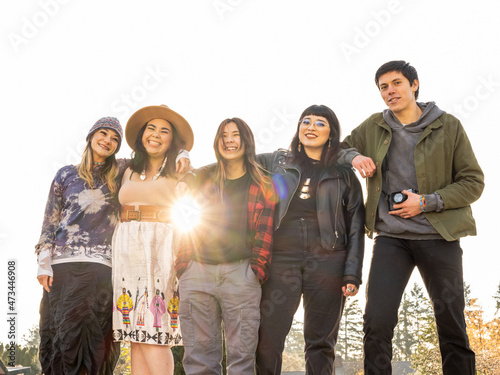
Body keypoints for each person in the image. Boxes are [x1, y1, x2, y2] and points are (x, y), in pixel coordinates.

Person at [339, 60, 485, 374]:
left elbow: (474, 182)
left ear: (414, 85)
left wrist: (427, 202)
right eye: (383, 87)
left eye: (397, 83)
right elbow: (339, 149)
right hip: (392, 239)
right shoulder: (373, 126)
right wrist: (357, 155)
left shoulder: (448, 126)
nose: (390, 91)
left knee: (451, 324)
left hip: (438, 237)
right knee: (376, 322)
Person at [255, 105, 365, 374]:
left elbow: (356, 228)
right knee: (267, 339)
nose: (311, 127)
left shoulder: (344, 175)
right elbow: (235, 161)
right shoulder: (278, 163)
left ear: (332, 134)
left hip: (328, 261)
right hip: (281, 260)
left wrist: (352, 274)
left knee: (320, 343)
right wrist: (190, 167)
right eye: (306, 121)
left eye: (320, 123)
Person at [175, 118, 276, 375]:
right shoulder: (204, 178)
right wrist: (183, 267)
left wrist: (257, 271)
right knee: (199, 358)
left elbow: (265, 231)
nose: (229, 140)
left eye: (235, 135)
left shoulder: (262, 183)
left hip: (241, 274)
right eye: (224, 135)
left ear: (246, 140)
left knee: (241, 358)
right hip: (197, 272)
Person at [36, 117, 124, 375]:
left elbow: (156, 160)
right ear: (91, 136)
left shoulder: (121, 172)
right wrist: (44, 262)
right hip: (61, 267)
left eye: (115, 138)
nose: (108, 140)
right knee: (57, 336)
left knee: (93, 340)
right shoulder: (65, 174)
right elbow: (50, 220)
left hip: (100, 268)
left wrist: (183, 150)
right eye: (104, 133)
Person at [112, 104, 193, 375]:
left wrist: (185, 154)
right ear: (141, 135)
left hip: (160, 247)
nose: (155, 135)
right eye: (151, 128)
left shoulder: (181, 169)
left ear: (173, 140)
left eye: (164, 131)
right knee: (135, 334)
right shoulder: (127, 170)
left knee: (154, 329)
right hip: (126, 248)